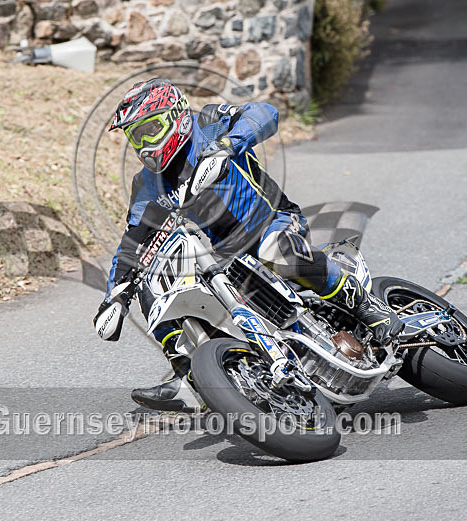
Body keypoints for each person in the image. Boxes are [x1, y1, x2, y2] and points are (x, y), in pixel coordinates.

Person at [93, 78, 402, 412]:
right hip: (223, 261)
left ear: (177, 115)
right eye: (136, 136)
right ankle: (189, 372)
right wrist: (115, 296)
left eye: (150, 130)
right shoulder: (146, 185)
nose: (144, 144)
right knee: (152, 286)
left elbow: (263, 113)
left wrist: (227, 145)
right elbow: (132, 243)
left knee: (274, 250)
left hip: (274, 222)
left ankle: (366, 306)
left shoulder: (210, 122)